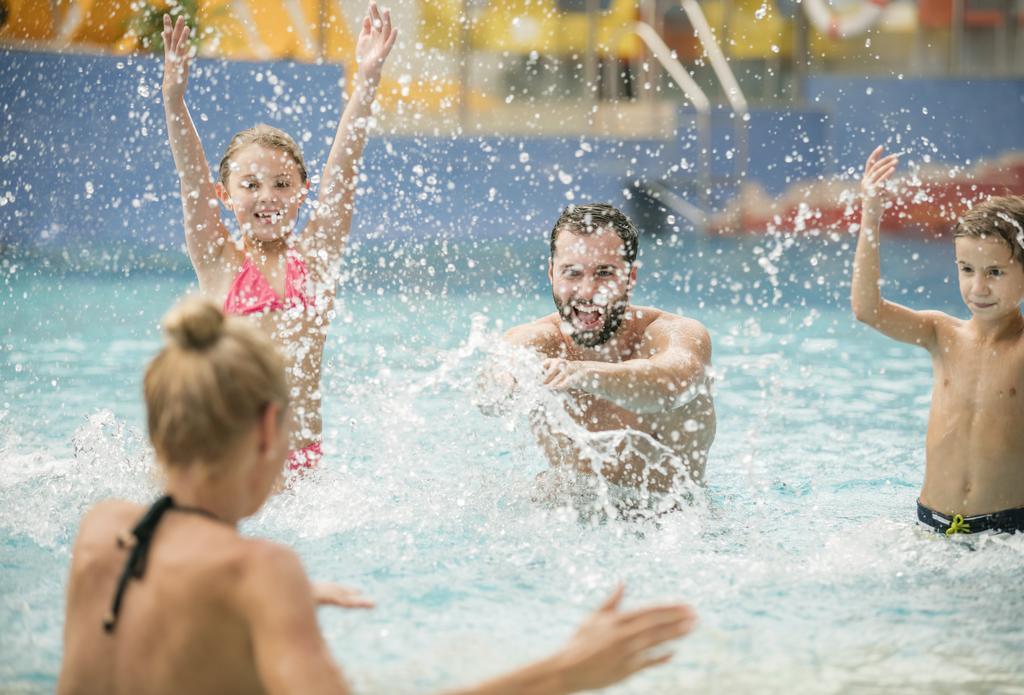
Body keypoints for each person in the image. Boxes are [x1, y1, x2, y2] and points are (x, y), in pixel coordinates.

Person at [57, 298, 697, 694]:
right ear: (269, 430)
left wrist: (227, 601)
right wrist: (569, 671)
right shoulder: (259, 572)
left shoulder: (102, 531)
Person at [160, 2, 396, 474]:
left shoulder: (317, 254)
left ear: (303, 193)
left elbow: (344, 169)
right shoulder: (219, 261)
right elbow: (190, 178)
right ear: (224, 196)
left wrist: (367, 80)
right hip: (229, 456)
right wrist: (174, 101)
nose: (267, 196)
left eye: (282, 185)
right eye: (250, 185)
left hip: (301, 462)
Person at [852, 145, 1024, 535]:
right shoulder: (941, 333)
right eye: (967, 269)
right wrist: (870, 218)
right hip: (930, 526)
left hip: (1006, 534)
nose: (978, 286)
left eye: (995, 271)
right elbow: (867, 309)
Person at [493, 203, 716, 500]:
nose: (587, 291)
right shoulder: (535, 341)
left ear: (630, 277)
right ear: (551, 274)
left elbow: (672, 386)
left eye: (604, 273)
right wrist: (503, 384)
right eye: (572, 273)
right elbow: (490, 395)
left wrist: (583, 373)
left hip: (672, 523)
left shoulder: (676, 334)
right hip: (570, 521)